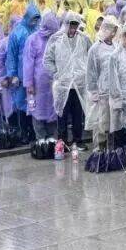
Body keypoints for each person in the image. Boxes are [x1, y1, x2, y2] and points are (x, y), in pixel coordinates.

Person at [45, 12, 91, 149]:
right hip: (63, 84)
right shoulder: (55, 39)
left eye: (75, 26)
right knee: (62, 114)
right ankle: (62, 141)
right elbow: (48, 59)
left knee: (78, 114)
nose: (73, 29)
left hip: (79, 84)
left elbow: (91, 56)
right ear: (65, 25)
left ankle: (78, 140)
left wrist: (85, 73)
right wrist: (56, 73)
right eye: (70, 26)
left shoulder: (84, 39)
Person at [23, 13, 60, 140]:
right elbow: (28, 64)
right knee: (37, 110)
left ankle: (52, 140)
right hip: (37, 85)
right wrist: (29, 84)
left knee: (52, 110)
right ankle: (41, 140)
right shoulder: (33, 40)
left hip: (53, 83)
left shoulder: (56, 39)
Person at [5, 3, 41, 135]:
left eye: (37, 18)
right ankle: (24, 132)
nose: (35, 21)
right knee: (21, 103)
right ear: (27, 17)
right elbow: (11, 56)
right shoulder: (17, 32)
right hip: (20, 76)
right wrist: (12, 74)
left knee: (33, 103)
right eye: (33, 18)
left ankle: (33, 132)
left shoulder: (38, 30)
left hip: (35, 75)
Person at [84, 18, 118, 150]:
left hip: (113, 92)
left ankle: (111, 151)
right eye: (111, 29)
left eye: (115, 30)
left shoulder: (116, 47)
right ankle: (99, 150)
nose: (113, 33)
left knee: (112, 124)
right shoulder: (95, 49)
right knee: (101, 123)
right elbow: (91, 71)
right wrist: (93, 91)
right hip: (101, 92)